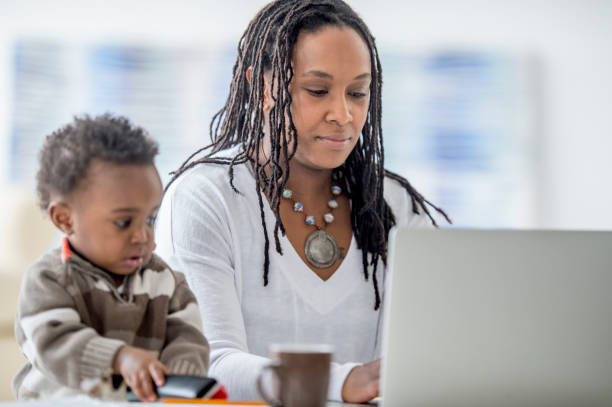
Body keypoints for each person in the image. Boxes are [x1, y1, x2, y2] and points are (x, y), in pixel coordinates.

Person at [156, 0, 450, 403]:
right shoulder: (206, 199)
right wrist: (345, 382)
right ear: (263, 88)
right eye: (317, 90)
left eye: (358, 92)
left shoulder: (395, 207)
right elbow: (210, 364)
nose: (343, 115)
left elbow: (418, 365)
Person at [13, 114, 210, 402]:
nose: (143, 235)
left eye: (150, 219)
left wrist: (178, 381)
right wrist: (119, 358)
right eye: (123, 222)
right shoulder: (48, 279)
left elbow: (188, 339)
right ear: (64, 219)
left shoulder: (165, 282)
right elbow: (52, 341)